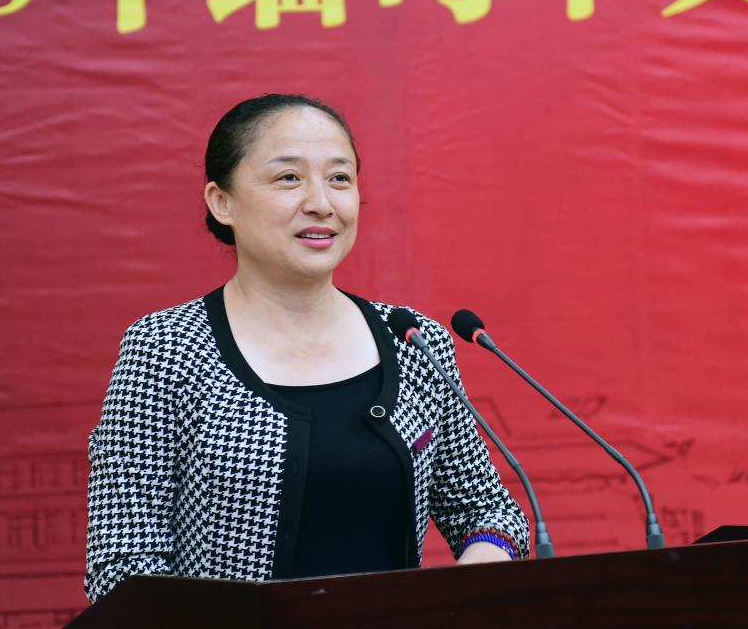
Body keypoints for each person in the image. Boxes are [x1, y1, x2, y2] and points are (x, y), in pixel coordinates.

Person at [84, 94, 529, 603]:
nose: (321, 202)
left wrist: (482, 562)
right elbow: (121, 565)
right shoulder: (167, 349)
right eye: (288, 178)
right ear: (221, 202)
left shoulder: (410, 341)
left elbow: (488, 512)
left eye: (339, 178)